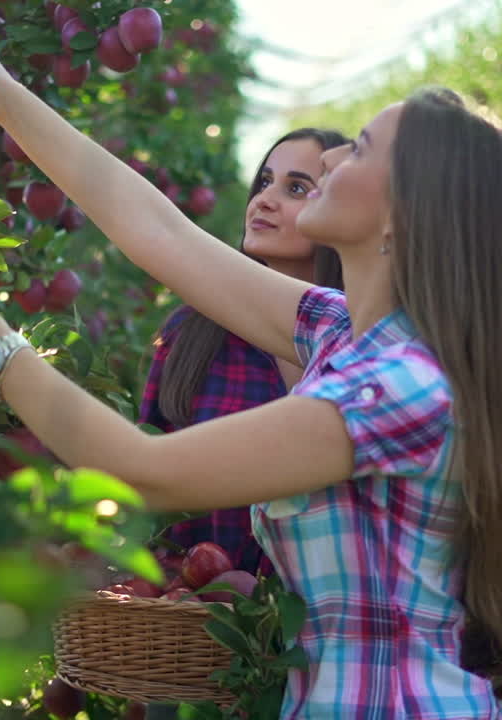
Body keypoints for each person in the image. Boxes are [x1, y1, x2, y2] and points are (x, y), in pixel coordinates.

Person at [0, 4, 502, 718]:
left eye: (360, 149)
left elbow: (141, 471)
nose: (331, 157)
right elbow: (158, 231)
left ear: (402, 217)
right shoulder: (344, 334)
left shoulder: (398, 386)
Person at [141, 127, 348, 579]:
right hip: (197, 636)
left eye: (296, 188)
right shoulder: (195, 337)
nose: (265, 200)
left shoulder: (360, 344)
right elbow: (149, 502)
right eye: (264, 182)